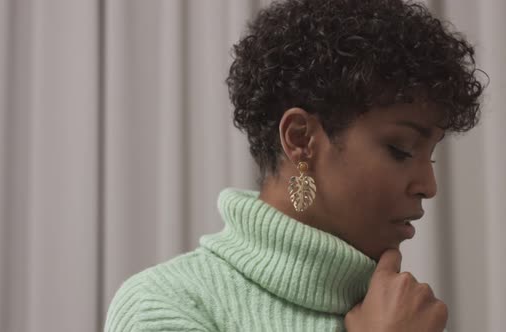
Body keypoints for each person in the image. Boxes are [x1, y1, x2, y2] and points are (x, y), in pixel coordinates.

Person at [105, 0, 485, 331]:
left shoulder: (408, 313)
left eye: (430, 155)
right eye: (401, 150)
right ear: (301, 138)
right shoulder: (163, 305)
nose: (428, 185)